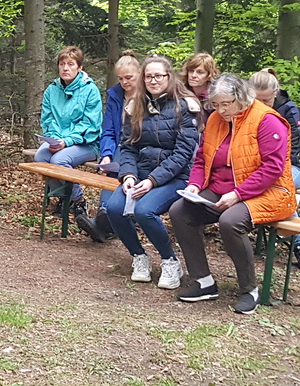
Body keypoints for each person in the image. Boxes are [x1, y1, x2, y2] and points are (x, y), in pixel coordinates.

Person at [169, 73, 297, 314]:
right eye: (216, 104)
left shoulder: (267, 120)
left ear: (242, 97)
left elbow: (273, 168)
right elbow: (201, 159)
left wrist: (238, 194)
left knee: (230, 221)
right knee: (180, 211)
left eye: (226, 104)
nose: (221, 110)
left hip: (268, 192)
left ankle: (249, 289)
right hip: (223, 188)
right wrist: (195, 185)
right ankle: (203, 281)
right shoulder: (215, 120)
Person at [98, 55, 199, 288]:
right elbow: (128, 146)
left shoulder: (185, 106)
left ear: (168, 77)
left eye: (158, 76)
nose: (153, 81)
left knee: (144, 210)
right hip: (141, 173)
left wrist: (153, 181)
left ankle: (170, 260)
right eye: (149, 76)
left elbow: (183, 154)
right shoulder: (136, 105)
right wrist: (129, 175)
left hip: (176, 176)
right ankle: (138, 256)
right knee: (114, 208)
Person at [250, 69, 300, 271]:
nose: (261, 105)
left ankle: (299, 245)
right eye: (257, 100)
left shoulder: (288, 110)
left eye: (266, 101)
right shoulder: (244, 109)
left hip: (289, 167)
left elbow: (291, 150)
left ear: (275, 93)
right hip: (255, 168)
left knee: (279, 188)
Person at [73, 52, 139, 241]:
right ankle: (105, 219)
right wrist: (106, 154)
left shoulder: (148, 96)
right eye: (121, 78)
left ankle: (103, 217)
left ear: (139, 74)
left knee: (120, 163)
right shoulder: (115, 96)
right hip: (119, 146)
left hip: (140, 147)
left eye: (129, 77)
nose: (124, 82)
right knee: (112, 163)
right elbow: (108, 131)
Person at [37, 46, 103, 217]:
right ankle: (64, 197)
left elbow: (90, 125)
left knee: (59, 160)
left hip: (86, 143)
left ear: (79, 67)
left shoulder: (90, 90)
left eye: (71, 64)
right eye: (62, 64)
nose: (65, 68)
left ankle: (78, 200)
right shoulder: (52, 89)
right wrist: (54, 139)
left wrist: (66, 142)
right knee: (41, 157)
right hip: (58, 140)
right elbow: (47, 119)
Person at [182, 52, 219, 124]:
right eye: (191, 71)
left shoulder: (215, 97)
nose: (193, 75)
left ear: (209, 75)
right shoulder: (180, 94)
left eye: (200, 72)